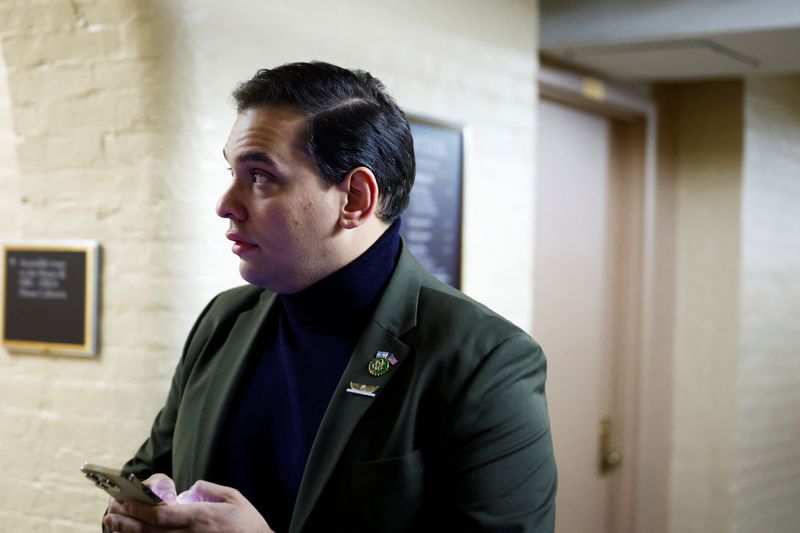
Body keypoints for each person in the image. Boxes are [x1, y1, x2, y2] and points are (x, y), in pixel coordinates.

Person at [103, 61, 556, 533]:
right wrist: (141, 510)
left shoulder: (486, 361)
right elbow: (153, 466)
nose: (225, 204)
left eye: (259, 176)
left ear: (355, 199)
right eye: (232, 172)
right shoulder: (224, 319)